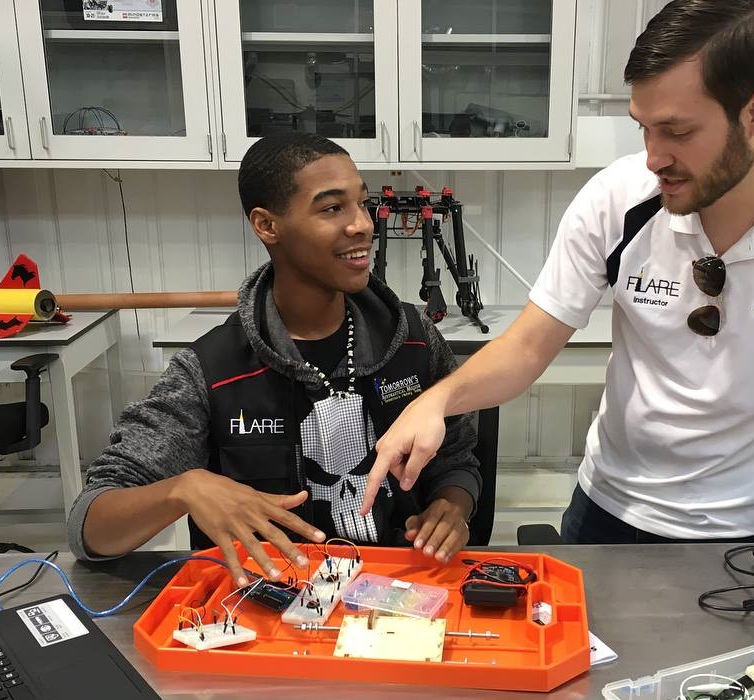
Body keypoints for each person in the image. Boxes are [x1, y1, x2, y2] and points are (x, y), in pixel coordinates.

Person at [362, 0, 754, 568]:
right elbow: (526, 348)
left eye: (677, 131)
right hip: (602, 511)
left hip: (742, 533)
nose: (653, 156)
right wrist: (435, 401)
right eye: (643, 128)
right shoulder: (618, 198)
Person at [68, 132, 481, 584]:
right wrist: (181, 490)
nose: (362, 224)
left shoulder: (415, 339)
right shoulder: (210, 371)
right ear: (267, 225)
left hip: (402, 599)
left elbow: (457, 456)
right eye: (331, 208)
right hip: (266, 611)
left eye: (361, 203)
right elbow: (90, 528)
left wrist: (452, 505)